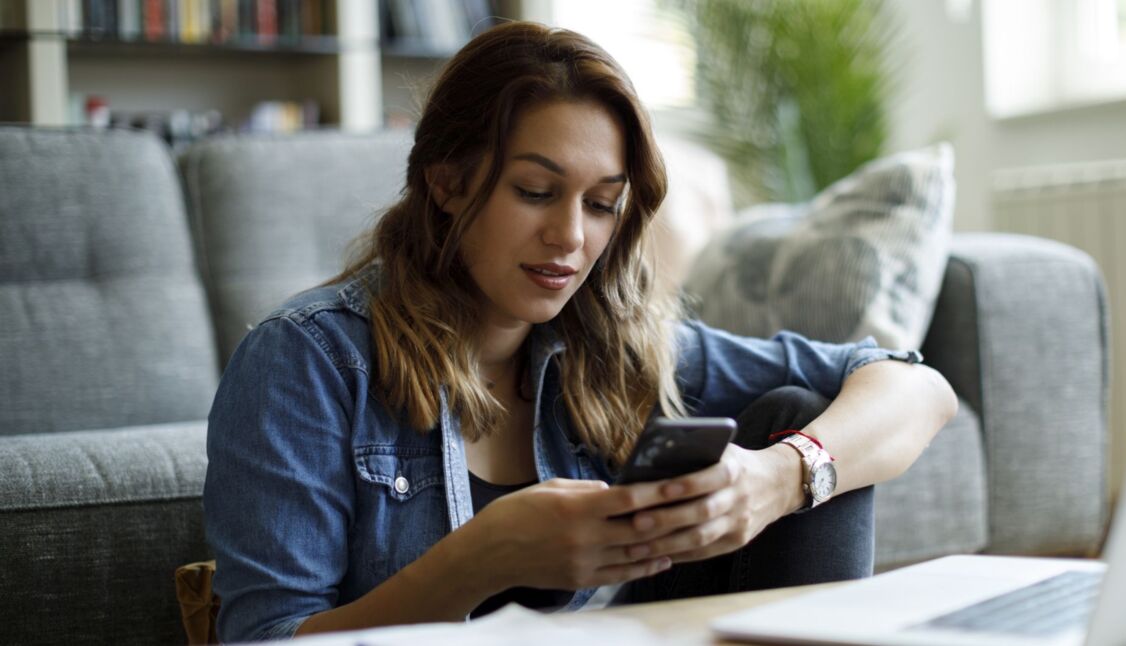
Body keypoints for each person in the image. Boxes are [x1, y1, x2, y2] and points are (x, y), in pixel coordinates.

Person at [203, 21, 957, 642]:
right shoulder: (307, 361)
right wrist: (482, 560)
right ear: (446, 179)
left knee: (795, 416)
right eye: (536, 191)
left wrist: (780, 477)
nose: (569, 236)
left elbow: (913, 384)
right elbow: (267, 638)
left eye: (601, 204)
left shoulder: (616, 346)